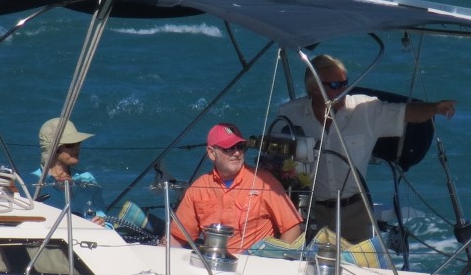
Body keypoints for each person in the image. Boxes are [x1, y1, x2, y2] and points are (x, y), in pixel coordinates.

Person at [274, 54, 455, 242]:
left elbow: (407, 113)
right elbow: (274, 160)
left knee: (360, 268)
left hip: (354, 211)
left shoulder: (367, 109)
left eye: (345, 84)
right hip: (310, 210)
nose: (343, 90)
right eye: (335, 86)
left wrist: (435, 107)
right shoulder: (289, 114)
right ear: (314, 88)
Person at [169, 122, 303, 255]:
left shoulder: (265, 182)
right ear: (211, 153)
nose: (237, 152)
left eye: (240, 146)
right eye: (229, 148)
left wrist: (276, 261)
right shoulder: (198, 188)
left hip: (254, 266)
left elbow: (292, 227)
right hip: (213, 263)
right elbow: (179, 237)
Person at [33, 118, 105, 219]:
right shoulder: (32, 183)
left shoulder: (88, 179)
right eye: (70, 145)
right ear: (53, 148)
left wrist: (102, 223)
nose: (77, 148)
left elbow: (106, 222)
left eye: (78, 143)